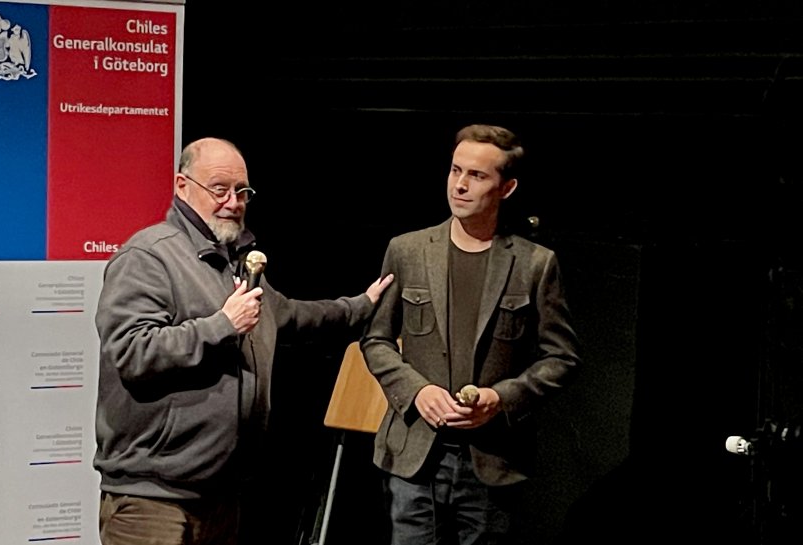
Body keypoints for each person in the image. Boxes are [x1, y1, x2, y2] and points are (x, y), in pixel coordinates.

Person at [93, 136, 393, 545]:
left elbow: (290, 316)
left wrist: (361, 306)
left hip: (222, 494)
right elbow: (131, 352)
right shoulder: (149, 256)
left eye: (242, 191)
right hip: (153, 500)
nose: (233, 202)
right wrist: (222, 325)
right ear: (182, 186)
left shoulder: (235, 262)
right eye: (220, 189)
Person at [361, 124, 581, 544]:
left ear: (506, 188)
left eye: (477, 175)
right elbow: (376, 339)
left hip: (492, 460)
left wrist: (501, 398)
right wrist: (417, 391)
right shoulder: (407, 250)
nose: (460, 185)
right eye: (455, 170)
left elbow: (562, 357)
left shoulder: (535, 264)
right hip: (415, 455)